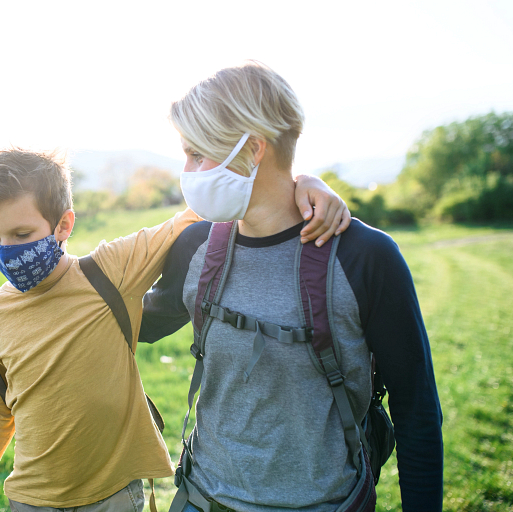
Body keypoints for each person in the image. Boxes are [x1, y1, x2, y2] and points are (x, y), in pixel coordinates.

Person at [0, 148, 350, 511]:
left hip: (113, 495)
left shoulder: (109, 271)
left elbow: (199, 212)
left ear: (63, 225)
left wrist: (302, 184)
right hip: (30, 498)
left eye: (22, 235)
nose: (7, 249)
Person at [138, 61, 444, 512]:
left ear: (254, 148)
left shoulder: (365, 257)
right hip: (203, 498)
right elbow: (130, 325)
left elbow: (416, 410)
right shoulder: (196, 246)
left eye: (197, 153)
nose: (187, 171)